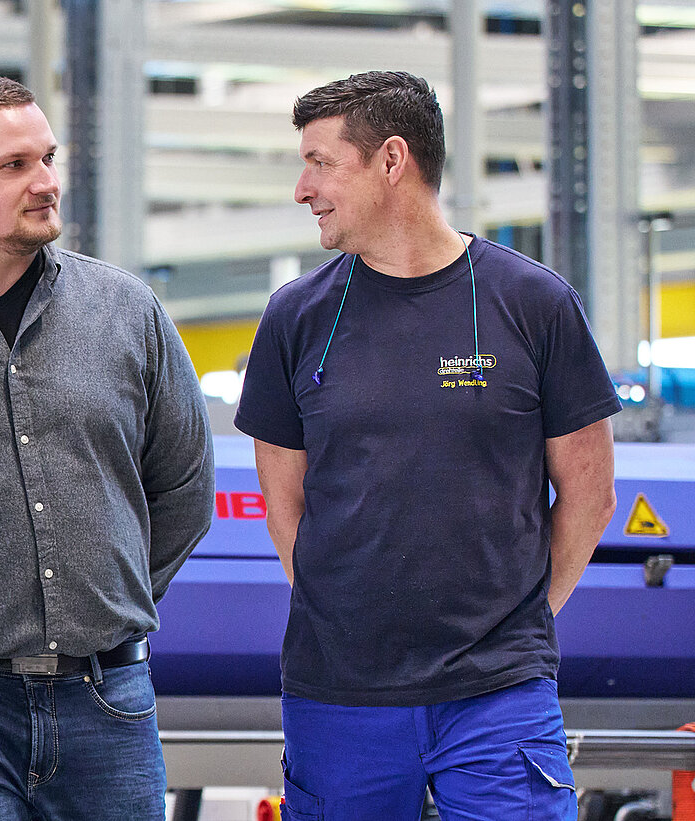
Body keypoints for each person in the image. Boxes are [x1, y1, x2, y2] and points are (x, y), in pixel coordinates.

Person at [236, 71, 620, 821]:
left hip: (498, 694)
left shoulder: (534, 304)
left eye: (320, 162)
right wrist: (344, 618)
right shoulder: (295, 318)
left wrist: (522, 621)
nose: (302, 187)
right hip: (339, 696)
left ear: (390, 160)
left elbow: (590, 493)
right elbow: (284, 500)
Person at [0, 74, 214, 819]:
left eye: (47, 158)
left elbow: (184, 489)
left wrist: (108, 602)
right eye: (13, 165)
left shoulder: (127, 312)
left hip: (110, 702)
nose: (45, 183)